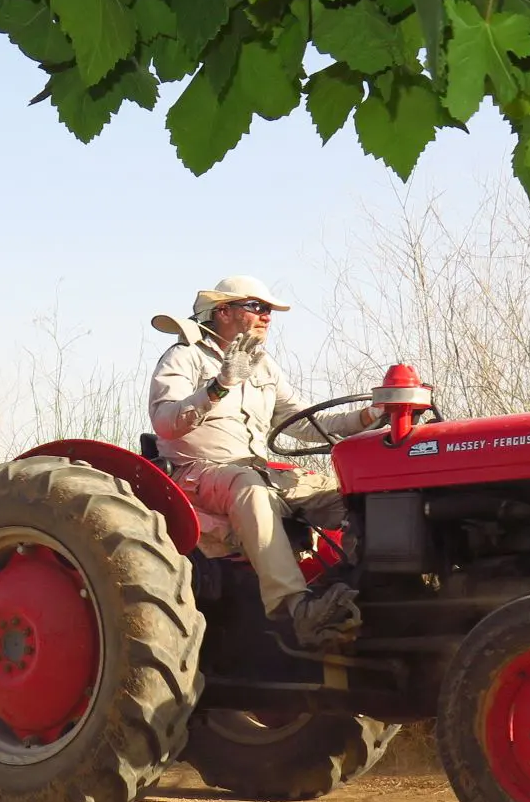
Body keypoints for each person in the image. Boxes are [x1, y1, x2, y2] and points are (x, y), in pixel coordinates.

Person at [148, 276, 379, 649]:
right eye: (258, 308)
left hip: (254, 467)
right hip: (197, 473)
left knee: (352, 496)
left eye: (269, 310)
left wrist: (369, 417)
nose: (267, 317)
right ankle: (296, 608)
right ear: (223, 312)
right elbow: (166, 423)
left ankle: (357, 588)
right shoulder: (183, 356)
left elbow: (302, 422)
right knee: (251, 489)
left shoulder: (262, 365)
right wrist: (219, 385)